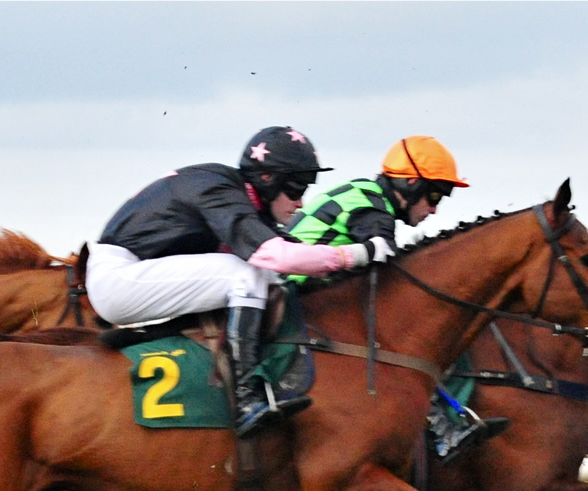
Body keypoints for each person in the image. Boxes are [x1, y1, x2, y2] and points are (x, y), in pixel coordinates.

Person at [85, 126, 373, 437]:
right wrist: (356, 254)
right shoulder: (219, 190)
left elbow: (294, 254)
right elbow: (278, 256)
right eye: (296, 189)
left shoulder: (236, 196)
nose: (301, 202)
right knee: (247, 273)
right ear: (267, 179)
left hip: (134, 274)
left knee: (260, 274)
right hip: (118, 278)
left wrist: (352, 263)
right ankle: (246, 397)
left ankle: (154, 337)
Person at [286, 135, 505, 462]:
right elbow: (389, 279)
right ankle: (444, 428)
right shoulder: (374, 212)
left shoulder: (362, 193)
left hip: (298, 295)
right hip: (298, 301)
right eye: (435, 195)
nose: (433, 208)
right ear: (410, 181)